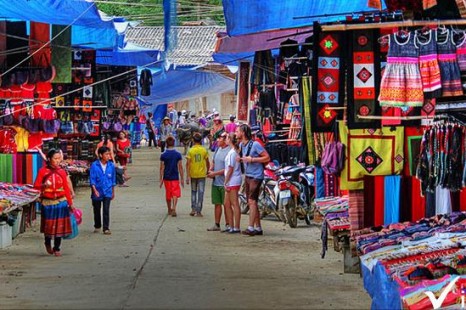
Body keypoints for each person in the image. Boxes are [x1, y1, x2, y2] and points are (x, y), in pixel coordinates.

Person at [33, 148, 74, 256]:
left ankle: (57, 247)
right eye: (55, 159)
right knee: (49, 226)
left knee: (60, 226)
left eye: (59, 159)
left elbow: (66, 188)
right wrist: (44, 186)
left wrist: (70, 204)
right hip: (48, 202)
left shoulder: (62, 171)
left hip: (61, 201)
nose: (57, 161)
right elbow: (36, 186)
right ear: (49, 159)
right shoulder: (43, 171)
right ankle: (47, 242)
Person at [235, 124, 270, 236]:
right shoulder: (242, 145)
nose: (236, 133)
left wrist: (252, 159)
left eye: (237, 131)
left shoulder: (255, 145)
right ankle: (258, 227)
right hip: (248, 175)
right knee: (252, 201)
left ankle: (251, 227)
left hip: (256, 176)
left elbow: (267, 157)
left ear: (243, 133)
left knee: (252, 201)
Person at [206, 132, 231, 231]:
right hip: (216, 182)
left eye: (219, 138)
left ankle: (228, 224)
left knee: (226, 205)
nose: (217, 140)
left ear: (225, 140)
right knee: (217, 203)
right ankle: (217, 224)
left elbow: (228, 169)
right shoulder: (217, 149)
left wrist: (214, 173)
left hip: (225, 183)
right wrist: (211, 170)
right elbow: (214, 162)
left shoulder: (230, 152)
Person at [90, 146, 116, 235]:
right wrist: (94, 190)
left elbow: (113, 179)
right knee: (96, 209)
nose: (109, 156)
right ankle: (97, 225)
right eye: (106, 154)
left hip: (107, 190)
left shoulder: (111, 165)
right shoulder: (94, 165)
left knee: (106, 210)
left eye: (109, 154)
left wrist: (113, 191)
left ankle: (106, 228)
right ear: (101, 155)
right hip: (97, 190)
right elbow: (92, 179)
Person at [186, 132, 210, 217]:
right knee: (201, 192)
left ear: (193, 140)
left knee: (193, 192)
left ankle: (193, 209)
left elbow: (188, 164)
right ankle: (199, 211)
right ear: (201, 140)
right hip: (202, 175)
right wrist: (208, 171)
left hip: (193, 174)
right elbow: (207, 162)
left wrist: (187, 176)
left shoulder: (190, 150)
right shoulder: (204, 150)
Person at [160, 136, 184, 217]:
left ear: (166, 144)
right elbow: (180, 167)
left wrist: (161, 179)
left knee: (168, 193)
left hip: (166, 177)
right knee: (175, 192)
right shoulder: (178, 154)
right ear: (174, 144)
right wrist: (182, 178)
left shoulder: (163, 155)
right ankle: (174, 207)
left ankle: (169, 208)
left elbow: (162, 168)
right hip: (175, 176)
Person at [224, 132, 243, 234]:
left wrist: (226, 181)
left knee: (234, 203)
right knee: (227, 203)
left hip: (233, 179)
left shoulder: (232, 153)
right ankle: (231, 225)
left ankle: (236, 226)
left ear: (230, 140)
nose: (225, 140)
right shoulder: (233, 152)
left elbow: (230, 168)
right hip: (232, 179)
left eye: (227, 138)